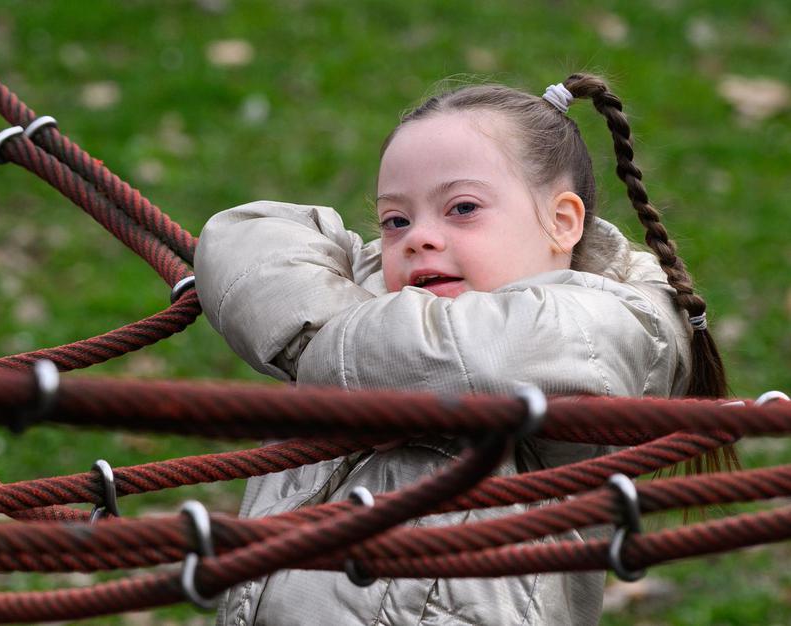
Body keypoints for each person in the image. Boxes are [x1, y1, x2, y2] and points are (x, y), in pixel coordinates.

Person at [194, 73, 727, 625]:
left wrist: (315, 337)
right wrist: (333, 326)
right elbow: (244, 235)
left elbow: (459, 352)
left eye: (463, 208)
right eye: (395, 219)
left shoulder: (607, 325)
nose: (419, 237)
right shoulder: (374, 296)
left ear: (562, 222)